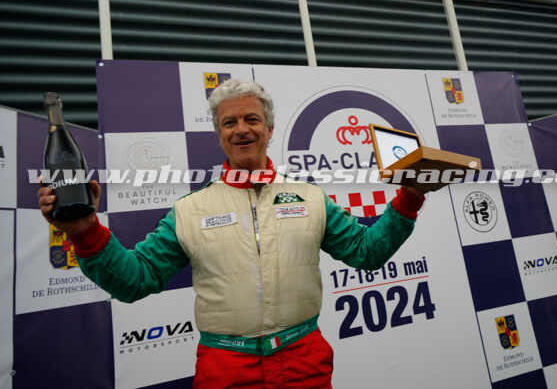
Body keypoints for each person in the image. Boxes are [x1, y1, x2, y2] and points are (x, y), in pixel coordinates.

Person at [38, 79, 427, 389]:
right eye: (230, 122)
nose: (241, 129)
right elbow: (136, 280)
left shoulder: (311, 197)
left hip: (304, 363)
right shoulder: (189, 210)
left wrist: (408, 199)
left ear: (269, 129)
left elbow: (366, 252)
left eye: (251, 119)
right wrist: (85, 232)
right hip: (225, 369)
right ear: (219, 134)